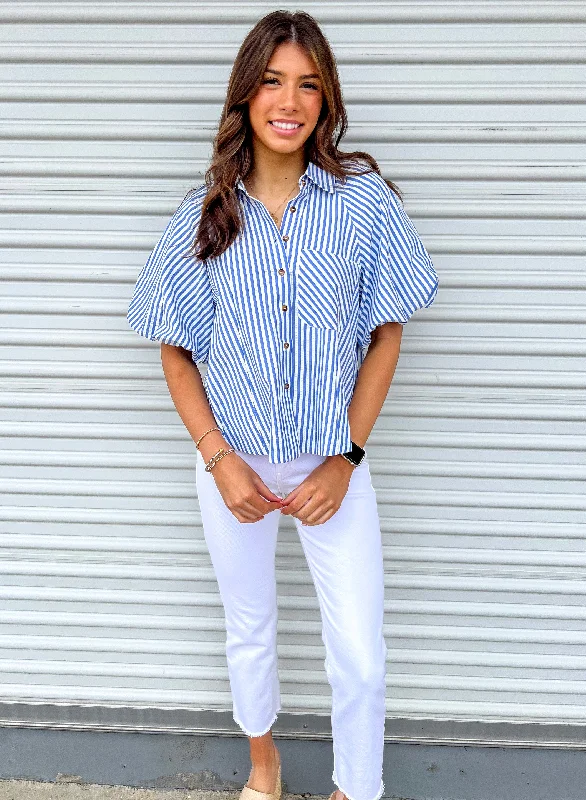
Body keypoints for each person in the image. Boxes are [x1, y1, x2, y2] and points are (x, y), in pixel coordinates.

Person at [126, 10, 438, 800]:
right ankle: (264, 768)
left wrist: (347, 459)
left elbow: (386, 332)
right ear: (245, 95)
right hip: (232, 466)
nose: (289, 100)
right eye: (271, 81)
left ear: (327, 99)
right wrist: (218, 457)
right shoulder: (205, 213)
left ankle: (353, 790)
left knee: (360, 652)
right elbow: (174, 345)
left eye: (308, 83)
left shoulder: (362, 203)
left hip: (334, 462)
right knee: (251, 629)